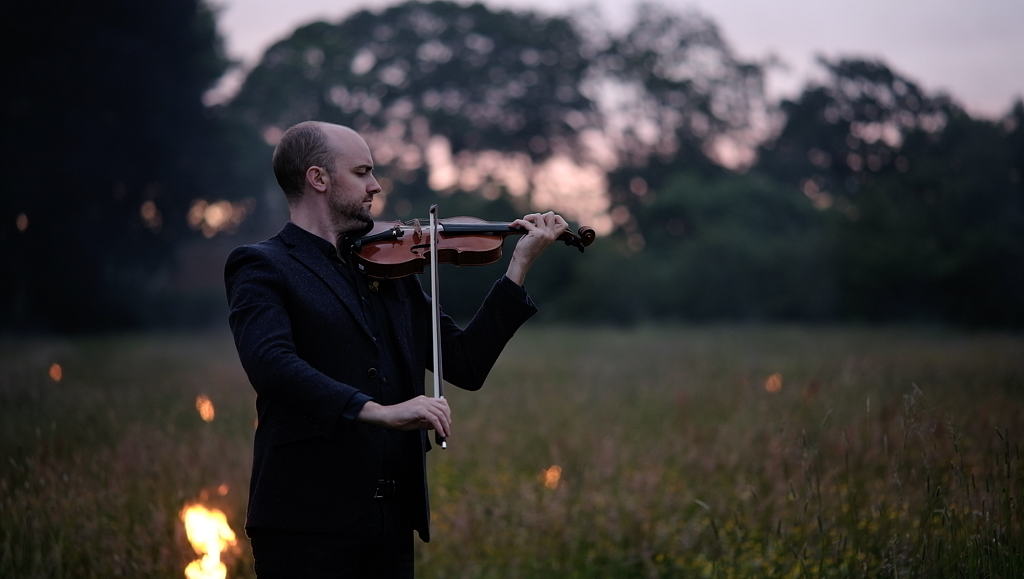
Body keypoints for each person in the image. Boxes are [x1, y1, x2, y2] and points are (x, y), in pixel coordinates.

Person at [224, 121, 568, 578]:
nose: (376, 186)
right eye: (363, 172)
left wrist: (518, 267)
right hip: (305, 523)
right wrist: (377, 411)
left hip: (391, 520)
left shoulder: (390, 268)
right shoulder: (263, 265)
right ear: (318, 179)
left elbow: (464, 362)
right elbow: (271, 365)